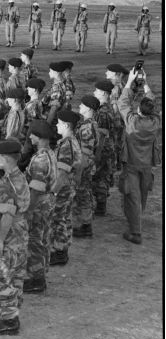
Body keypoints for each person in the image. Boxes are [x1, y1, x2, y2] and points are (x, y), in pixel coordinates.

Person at [0, 138, 30, 335]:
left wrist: (0, 240)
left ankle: (9, 319)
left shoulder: (6, 183)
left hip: (9, 237)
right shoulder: (19, 177)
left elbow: (7, 214)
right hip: (20, 235)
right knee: (17, 276)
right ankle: (12, 313)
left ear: (6, 159)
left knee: (0, 278)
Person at [117, 67, 160, 244]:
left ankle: (136, 232)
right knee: (141, 195)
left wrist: (129, 82)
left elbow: (123, 103)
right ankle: (136, 222)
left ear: (139, 110)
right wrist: (146, 83)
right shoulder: (155, 123)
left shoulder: (132, 122)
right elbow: (152, 103)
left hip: (132, 163)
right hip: (147, 164)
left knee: (132, 197)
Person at [23, 120, 57, 294]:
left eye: (32, 134)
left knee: (35, 241)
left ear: (39, 136)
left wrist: (27, 211)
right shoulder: (49, 153)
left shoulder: (41, 159)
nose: (30, 137)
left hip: (38, 204)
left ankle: (37, 279)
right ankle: (40, 275)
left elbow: (35, 189)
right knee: (43, 239)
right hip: (47, 202)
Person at [49, 110, 83, 266]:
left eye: (59, 122)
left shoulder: (66, 145)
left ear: (67, 125)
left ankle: (60, 252)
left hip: (62, 188)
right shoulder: (71, 142)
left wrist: (53, 191)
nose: (56, 124)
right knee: (64, 218)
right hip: (68, 187)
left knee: (59, 220)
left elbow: (62, 173)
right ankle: (62, 250)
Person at [72, 95, 100, 239]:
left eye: (82, 105)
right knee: (85, 194)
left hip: (83, 166)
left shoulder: (86, 128)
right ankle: (85, 225)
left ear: (89, 108)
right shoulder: (92, 124)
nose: (80, 106)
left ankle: (84, 226)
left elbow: (84, 153)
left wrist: (78, 172)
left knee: (82, 195)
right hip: (88, 165)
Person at [92, 80, 116, 217]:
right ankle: (101, 205)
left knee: (100, 176)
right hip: (108, 147)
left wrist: (97, 154)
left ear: (103, 93)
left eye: (96, 91)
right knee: (104, 174)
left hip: (103, 148)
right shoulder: (107, 108)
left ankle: (101, 207)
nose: (95, 92)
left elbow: (101, 135)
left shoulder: (102, 112)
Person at [106, 63, 129, 170]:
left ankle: (114, 166)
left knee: (113, 143)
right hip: (122, 119)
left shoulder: (114, 87)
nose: (106, 73)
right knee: (119, 142)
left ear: (117, 74)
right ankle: (119, 164)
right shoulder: (123, 84)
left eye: (109, 71)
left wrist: (114, 120)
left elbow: (115, 105)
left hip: (116, 119)